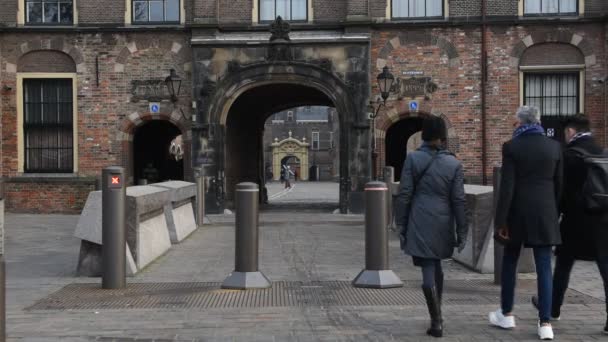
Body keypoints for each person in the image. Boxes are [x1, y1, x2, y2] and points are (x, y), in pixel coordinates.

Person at [490, 106, 563, 341]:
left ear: (520, 123)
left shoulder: (512, 147)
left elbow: (507, 187)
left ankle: (507, 313)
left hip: (518, 212)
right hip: (545, 212)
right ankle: (545, 323)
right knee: (544, 266)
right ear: (538, 121)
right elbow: (559, 185)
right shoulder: (554, 147)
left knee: (510, 260)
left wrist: (501, 220)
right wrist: (555, 211)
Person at [531, 114, 608, 334]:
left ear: (571, 132)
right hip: (603, 220)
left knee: (564, 265)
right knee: (605, 268)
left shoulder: (569, 155)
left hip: (575, 221)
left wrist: (554, 216)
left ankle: (554, 308)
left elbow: (560, 191)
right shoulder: (603, 153)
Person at [395, 116, 468, 338]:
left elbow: (405, 194)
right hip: (444, 218)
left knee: (428, 269)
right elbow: (459, 200)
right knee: (436, 265)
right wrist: (462, 230)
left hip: (420, 216)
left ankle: (436, 320)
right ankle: (437, 312)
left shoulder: (413, 159)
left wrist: (401, 223)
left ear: (424, 135)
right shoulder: (454, 164)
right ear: (443, 137)